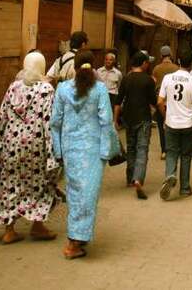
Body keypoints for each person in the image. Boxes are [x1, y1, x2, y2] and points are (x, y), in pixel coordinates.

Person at [0, 52, 58, 244]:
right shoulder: (46, 89)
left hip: (12, 144)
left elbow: (2, 117)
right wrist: (52, 153)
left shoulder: (13, 87)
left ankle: (9, 230)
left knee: (10, 184)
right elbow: (48, 121)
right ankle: (37, 225)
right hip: (36, 147)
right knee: (40, 184)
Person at [51, 50, 113, 259]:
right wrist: (106, 151)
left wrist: (58, 151)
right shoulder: (100, 90)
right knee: (88, 194)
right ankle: (74, 241)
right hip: (93, 151)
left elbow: (55, 123)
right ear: (92, 67)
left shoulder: (62, 89)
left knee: (75, 193)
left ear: (74, 68)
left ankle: (78, 237)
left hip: (70, 150)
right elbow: (106, 121)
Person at [157, 54, 192, 200]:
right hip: (188, 124)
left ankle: (170, 175)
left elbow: (159, 101)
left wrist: (165, 116)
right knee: (186, 155)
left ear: (178, 61)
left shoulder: (167, 78)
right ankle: (184, 188)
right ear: (191, 64)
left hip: (171, 123)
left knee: (171, 152)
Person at [114, 51, 157, 200]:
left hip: (128, 118)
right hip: (143, 118)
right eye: (147, 62)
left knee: (131, 147)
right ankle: (138, 179)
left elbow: (118, 101)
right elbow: (154, 101)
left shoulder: (126, 79)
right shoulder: (148, 80)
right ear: (143, 63)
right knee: (142, 149)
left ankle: (130, 178)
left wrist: (115, 121)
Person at [152, 46, 178, 160]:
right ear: (170, 55)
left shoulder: (156, 68)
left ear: (161, 56)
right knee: (173, 126)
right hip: (173, 101)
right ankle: (173, 149)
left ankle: (164, 151)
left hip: (160, 101)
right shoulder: (176, 68)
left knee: (161, 127)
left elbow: (154, 84)